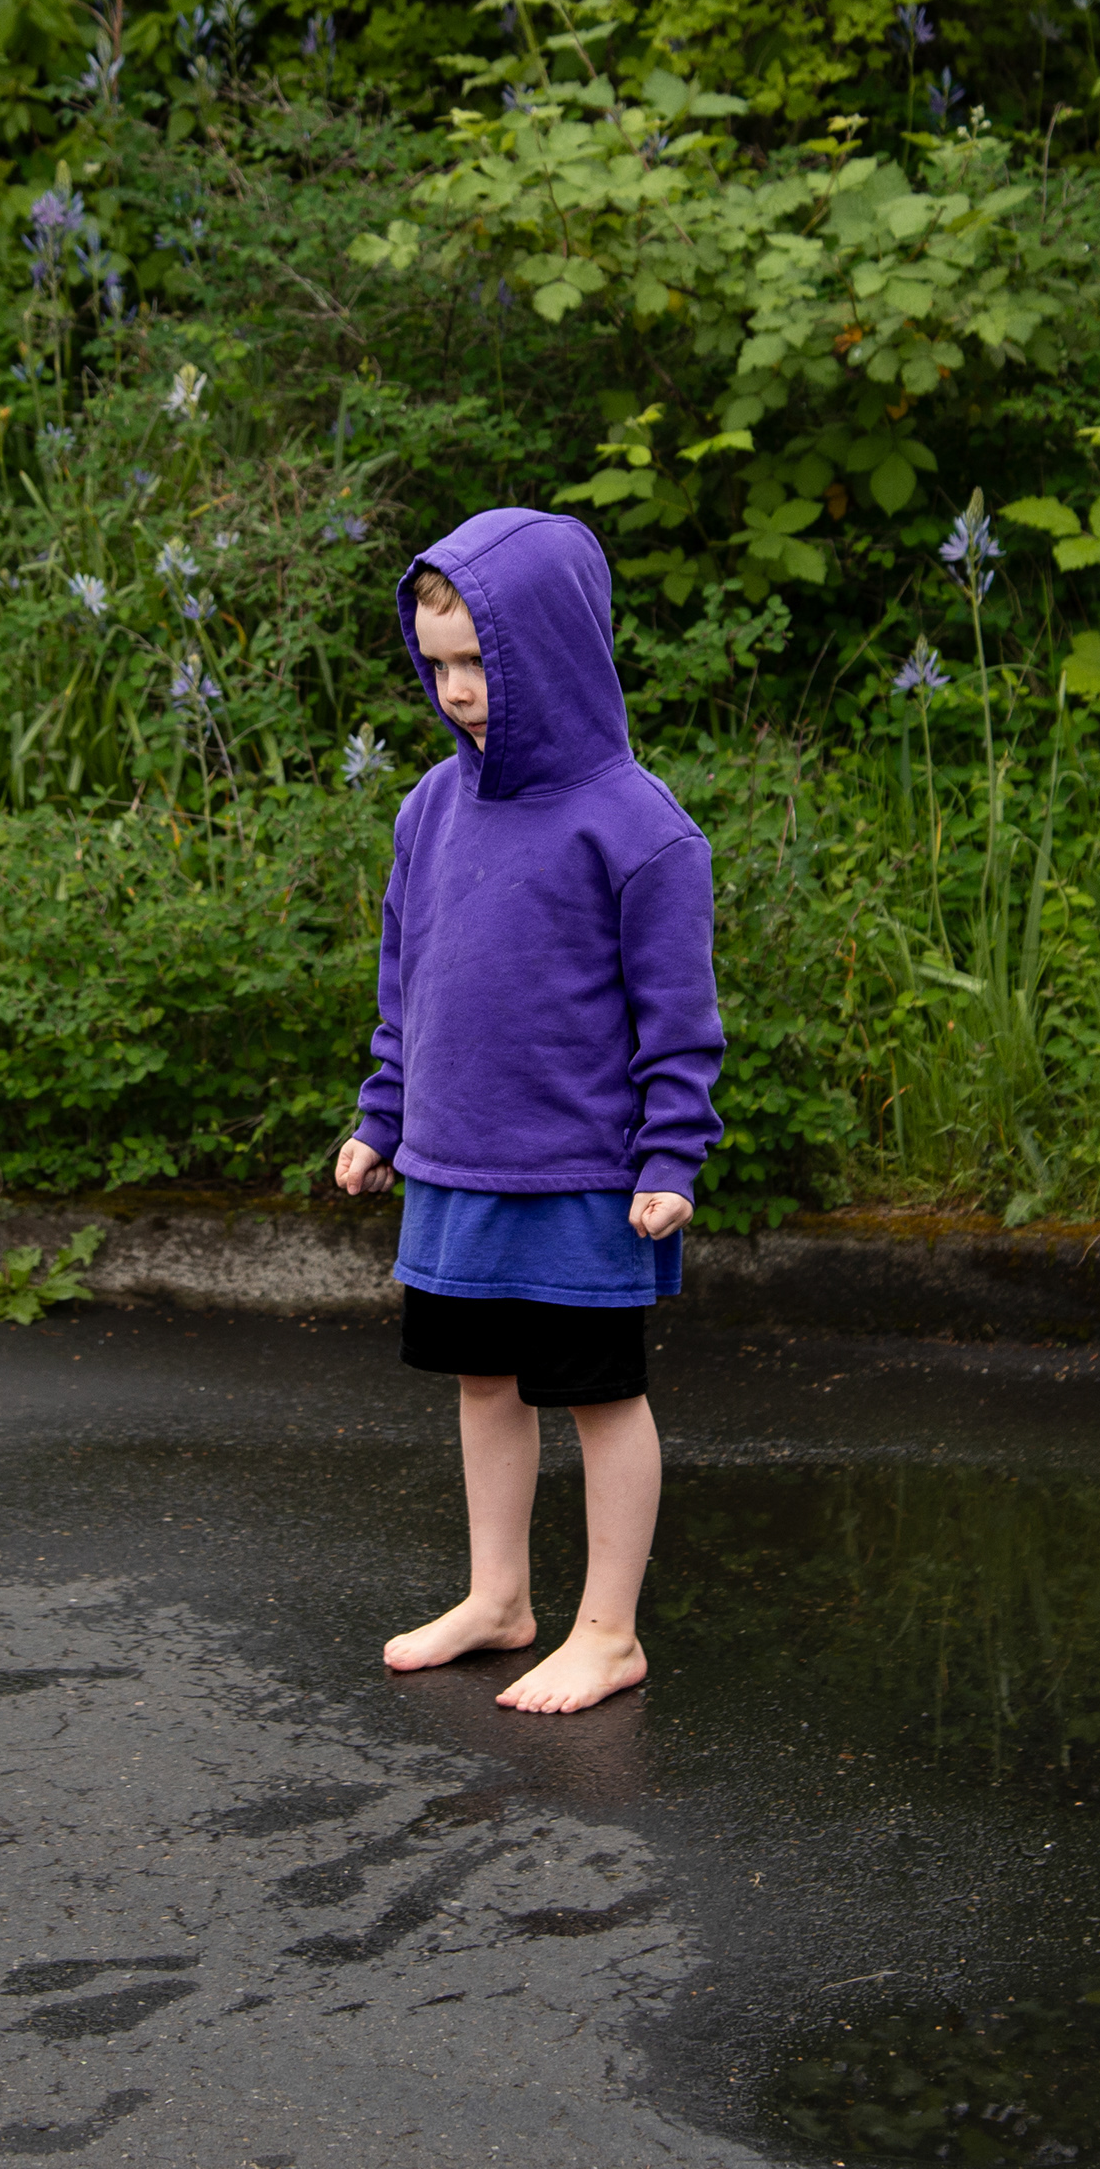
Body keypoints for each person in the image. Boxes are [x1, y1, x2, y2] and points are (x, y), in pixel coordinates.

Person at [331, 507, 724, 1715]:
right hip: (458, 1168)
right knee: (482, 1384)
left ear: (552, 645)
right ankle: (499, 1595)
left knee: (601, 1397)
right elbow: (410, 986)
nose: (457, 691)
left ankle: (611, 1629)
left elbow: (680, 1021)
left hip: (583, 1178)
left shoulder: (641, 827)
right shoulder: (428, 812)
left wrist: (671, 1154)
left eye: (479, 661)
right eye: (436, 663)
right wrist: (381, 1116)